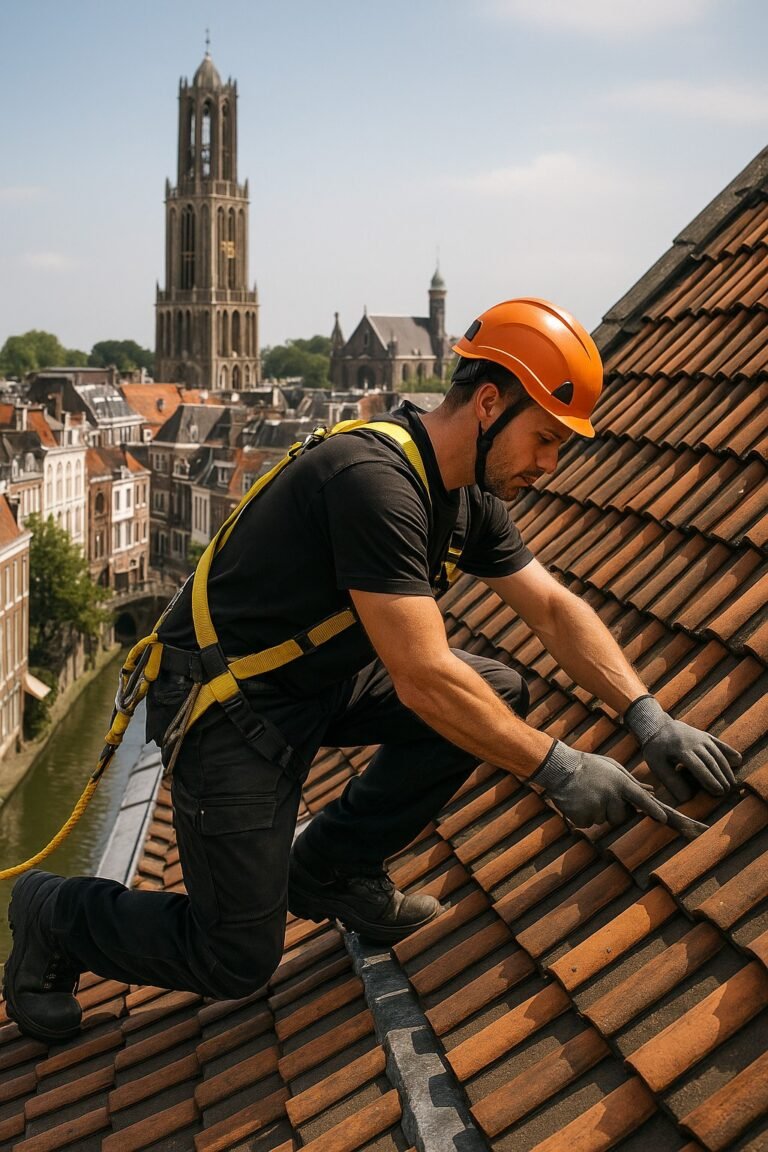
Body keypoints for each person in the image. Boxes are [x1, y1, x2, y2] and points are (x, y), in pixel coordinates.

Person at [3, 298, 741, 1045]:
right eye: (545, 439)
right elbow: (422, 677)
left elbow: (551, 608)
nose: (549, 466)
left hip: (315, 682)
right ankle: (54, 913)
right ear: (489, 403)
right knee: (234, 958)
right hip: (228, 707)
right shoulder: (374, 481)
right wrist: (558, 768)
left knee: (494, 692)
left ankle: (330, 867)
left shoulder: (465, 499)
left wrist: (644, 713)